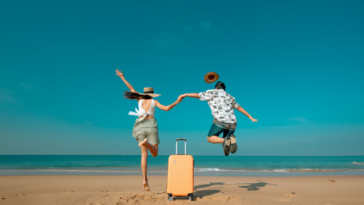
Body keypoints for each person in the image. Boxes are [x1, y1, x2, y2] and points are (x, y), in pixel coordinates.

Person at [116, 69, 184, 191]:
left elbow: (130, 87)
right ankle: (147, 143)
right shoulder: (154, 101)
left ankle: (144, 180)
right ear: (153, 94)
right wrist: (177, 102)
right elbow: (167, 108)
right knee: (155, 153)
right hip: (151, 124)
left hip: (139, 125)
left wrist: (122, 77)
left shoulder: (139, 99)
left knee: (143, 156)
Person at [181, 81, 258, 156]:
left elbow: (198, 95)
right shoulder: (230, 96)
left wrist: (186, 94)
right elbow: (239, 107)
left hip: (220, 120)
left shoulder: (212, 92)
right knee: (227, 141)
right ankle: (227, 141)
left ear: (216, 87)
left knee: (210, 138)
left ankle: (225, 140)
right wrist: (249, 116)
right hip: (233, 122)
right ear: (224, 89)